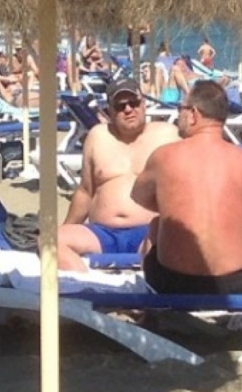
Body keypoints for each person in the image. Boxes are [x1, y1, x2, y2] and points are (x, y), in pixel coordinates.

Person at [129, 79, 242, 294]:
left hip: (169, 282)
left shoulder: (163, 156)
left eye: (180, 108)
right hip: (235, 284)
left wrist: (175, 202)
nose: (178, 115)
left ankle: (154, 304)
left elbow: (138, 196)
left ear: (194, 114)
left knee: (157, 223)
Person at [58, 78, 174, 268]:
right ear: (110, 111)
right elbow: (85, 191)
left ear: (144, 104)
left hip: (149, 232)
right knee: (51, 241)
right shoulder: (98, 136)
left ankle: (148, 283)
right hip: (101, 233)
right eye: (120, 106)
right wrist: (67, 227)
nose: (128, 109)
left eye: (134, 103)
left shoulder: (167, 135)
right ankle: (83, 282)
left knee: (173, 244)